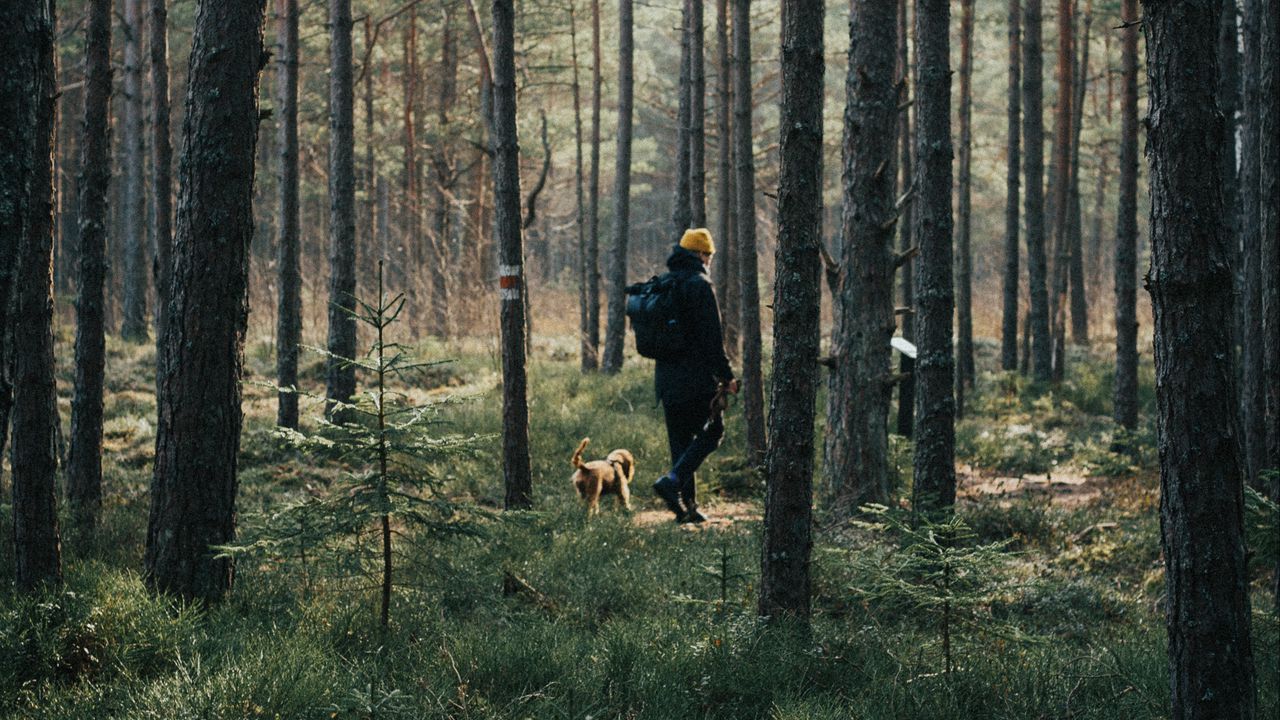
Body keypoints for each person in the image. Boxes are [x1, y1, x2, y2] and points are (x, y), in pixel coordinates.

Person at [652, 228, 740, 523]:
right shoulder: (700, 285)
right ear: (701, 255)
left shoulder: (665, 283)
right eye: (710, 255)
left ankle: (687, 508)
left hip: (665, 380)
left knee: (681, 441)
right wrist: (727, 376)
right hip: (696, 380)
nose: (710, 260)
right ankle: (672, 482)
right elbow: (711, 339)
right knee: (712, 433)